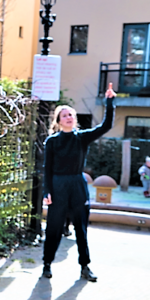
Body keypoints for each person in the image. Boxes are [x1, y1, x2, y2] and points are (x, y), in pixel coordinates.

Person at [42, 83, 116, 282]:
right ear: (59, 120)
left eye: (71, 114)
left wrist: (110, 101)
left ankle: (85, 266)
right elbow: (46, 169)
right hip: (58, 186)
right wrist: (46, 191)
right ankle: (47, 264)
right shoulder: (52, 142)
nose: (69, 117)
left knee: (81, 229)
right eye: (65, 115)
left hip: (77, 185)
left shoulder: (82, 138)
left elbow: (106, 126)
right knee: (54, 228)